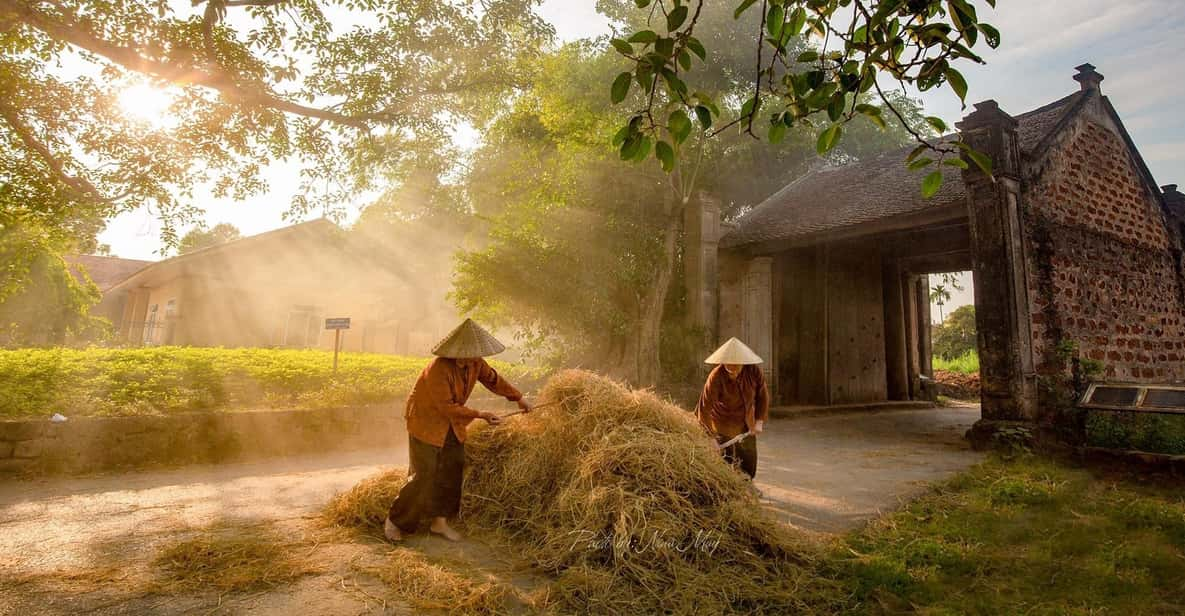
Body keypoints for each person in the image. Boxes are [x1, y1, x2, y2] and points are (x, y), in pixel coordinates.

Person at [384, 318, 531, 542]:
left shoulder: (476, 363)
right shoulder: (438, 369)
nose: (475, 357)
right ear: (458, 352)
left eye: (477, 353)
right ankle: (396, 521)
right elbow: (446, 407)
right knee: (424, 474)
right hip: (426, 423)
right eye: (471, 353)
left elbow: (493, 380)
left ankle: (439, 523)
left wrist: (518, 398)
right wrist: (480, 415)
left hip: (453, 424)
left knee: (452, 470)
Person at [694, 337, 769, 479]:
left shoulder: (753, 372)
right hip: (722, 422)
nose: (733, 373)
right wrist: (710, 438)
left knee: (748, 458)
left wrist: (759, 421)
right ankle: (729, 487)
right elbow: (704, 409)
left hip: (746, 422)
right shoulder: (716, 377)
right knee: (726, 460)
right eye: (729, 369)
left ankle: (747, 485)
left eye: (736, 369)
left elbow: (762, 397)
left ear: (743, 364)